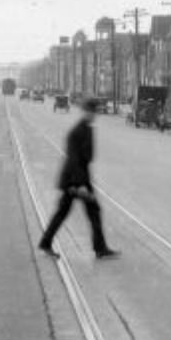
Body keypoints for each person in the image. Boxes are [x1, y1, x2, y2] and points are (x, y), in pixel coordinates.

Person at [38, 97, 120, 259]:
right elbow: (73, 159)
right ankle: (99, 248)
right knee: (84, 211)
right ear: (86, 111)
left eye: (95, 112)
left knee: (69, 212)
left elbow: (84, 158)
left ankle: (47, 243)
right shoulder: (77, 131)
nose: (94, 115)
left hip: (79, 179)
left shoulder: (87, 128)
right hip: (74, 180)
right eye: (92, 111)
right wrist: (80, 184)